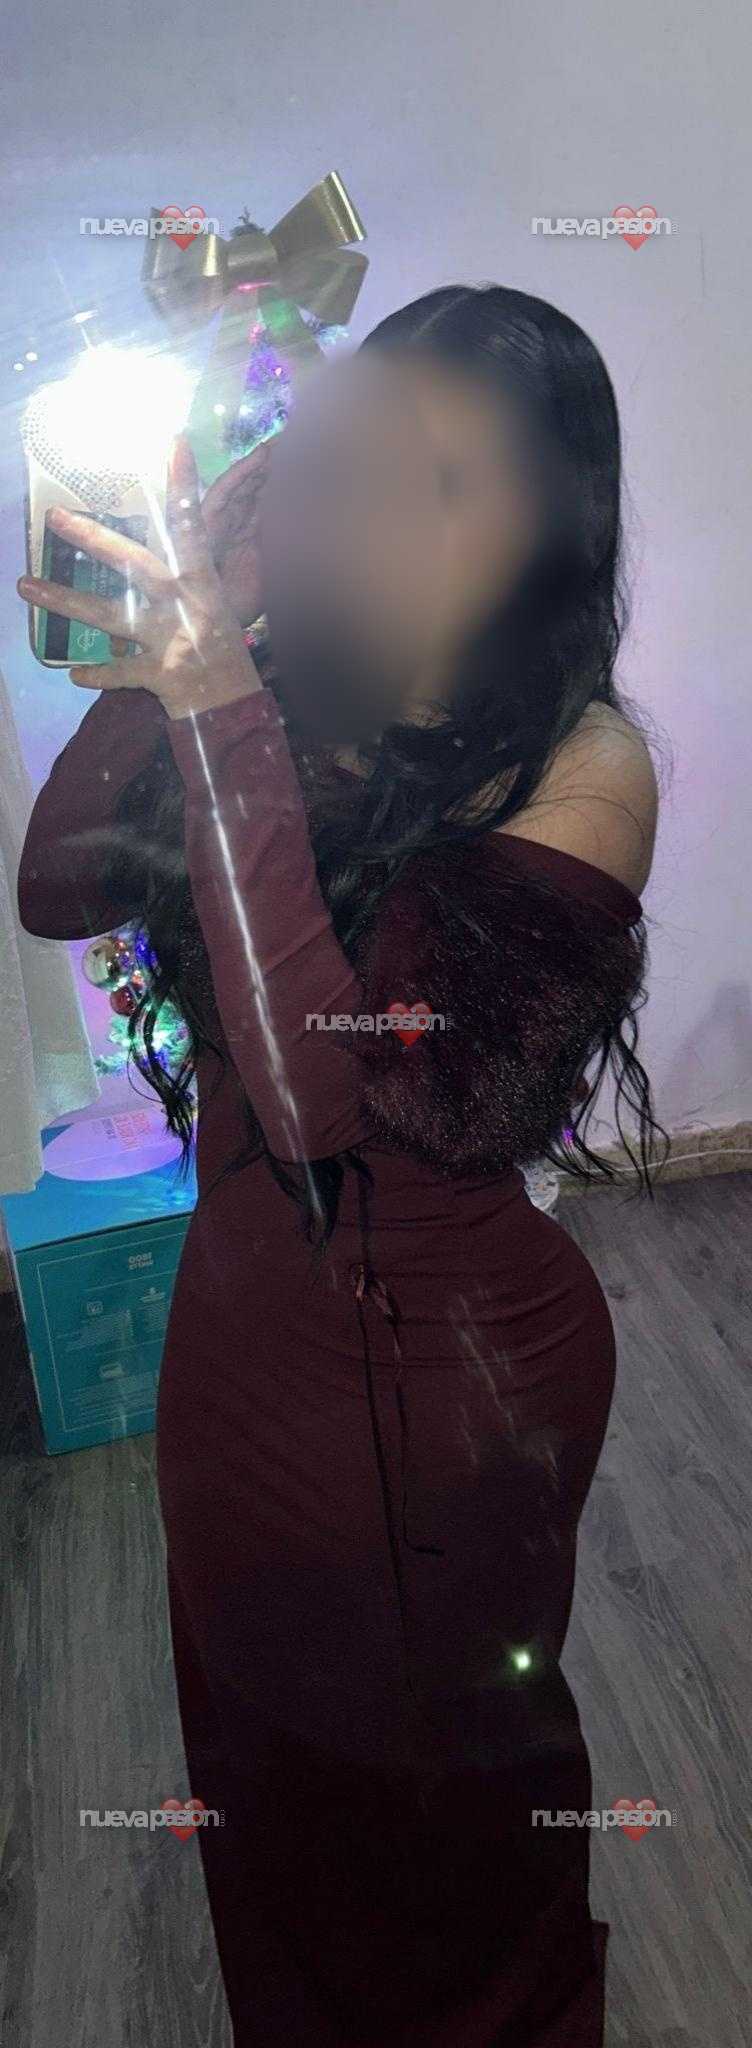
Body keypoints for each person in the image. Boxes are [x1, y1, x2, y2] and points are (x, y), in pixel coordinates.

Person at [17, 284, 665, 2045]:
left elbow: (336, 1097)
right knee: (275, 1808)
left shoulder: (585, 768)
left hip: (441, 1376)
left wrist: (219, 698)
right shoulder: (296, 674)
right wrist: (198, 637)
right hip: (241, 1339)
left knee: (446, 1834)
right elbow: (58, 881)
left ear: (548, 518)